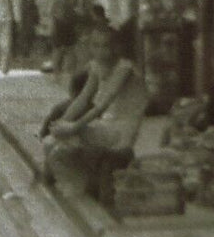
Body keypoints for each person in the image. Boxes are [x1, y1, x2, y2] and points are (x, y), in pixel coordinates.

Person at [42, 26, 148, 190]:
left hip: (121, 131)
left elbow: (102, 104)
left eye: (105, 46)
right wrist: (62, 122)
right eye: (96, 46)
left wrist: (73, 127)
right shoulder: (97, 66)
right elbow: (82, 99)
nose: (100, 51)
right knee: (51, 140)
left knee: (63, 141)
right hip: (106, 126)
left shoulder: (124, 68)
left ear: (116, 47)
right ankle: (75, 181)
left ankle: (81, 183)